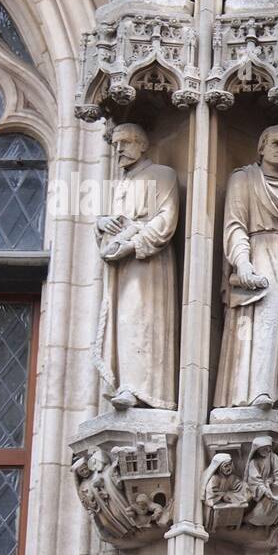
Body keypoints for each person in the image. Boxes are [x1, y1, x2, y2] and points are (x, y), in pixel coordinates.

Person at [214, 126, 278, 410]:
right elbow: (235, 225)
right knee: (263, 322)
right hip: (261, 254)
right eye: (276, 144)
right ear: (261, 147)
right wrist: (242, 262)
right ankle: (256, 390)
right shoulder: (243, 179)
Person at [95, 123, 180, 410]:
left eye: (126, 142)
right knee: (124, 322)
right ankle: (126, 383)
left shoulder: (161, 174)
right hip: (120, 265)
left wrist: (133, 244)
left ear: (143, 145)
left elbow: (166, 219)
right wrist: (101, 224)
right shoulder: (118, 185)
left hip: (148, 264)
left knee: (141, 320)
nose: (119, 149)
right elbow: (107, 221)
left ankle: (141, 390)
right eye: (116, 144)